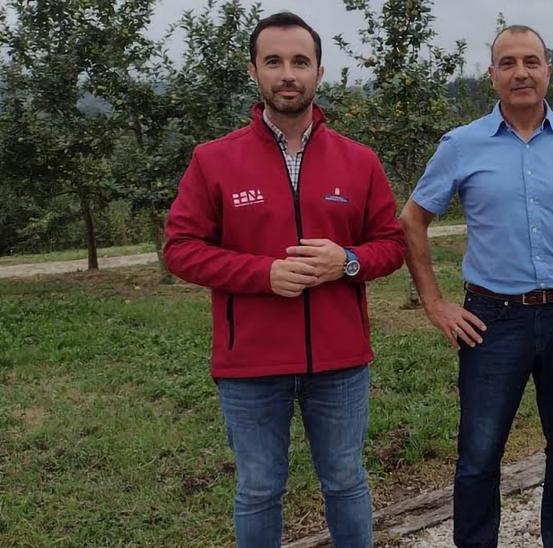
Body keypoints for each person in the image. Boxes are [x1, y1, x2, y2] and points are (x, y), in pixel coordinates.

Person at [163, 11, 405, 547]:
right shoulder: (213, 160)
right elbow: (180, 250)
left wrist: (345, 260)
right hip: (250, 362)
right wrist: (263, 273)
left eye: (300, 61)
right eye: (274, 61)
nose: (287, 73)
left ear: (319, 72)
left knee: (345, 482)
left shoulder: (359, 161)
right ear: (254, 70)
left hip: (340, 363)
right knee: (258, 488)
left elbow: (391, 246)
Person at [398, 25, 553, 548]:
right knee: (479, 455)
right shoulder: (461, 145)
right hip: (491, 322)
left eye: (531, 61)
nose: (520, 72)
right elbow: (411, 220)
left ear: (549, 70)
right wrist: (434, 303)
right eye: (508, 63)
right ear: (492, 75)